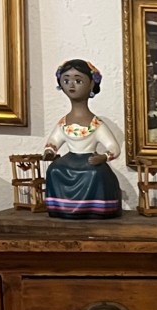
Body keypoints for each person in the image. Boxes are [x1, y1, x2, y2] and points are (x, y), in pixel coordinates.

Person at [43, 59, 122, 219]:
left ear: (91, 84)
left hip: (90, 160)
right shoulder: (64, 122)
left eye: (78, 81)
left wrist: (103, 157)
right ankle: (59, 207)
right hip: (70, 159)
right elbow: (54, 141)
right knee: (54, 170)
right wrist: (50, 151)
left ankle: (95, 209)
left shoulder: (96, 124)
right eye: (66, 80)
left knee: (95, 174)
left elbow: (113, 147)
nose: (71, 85)